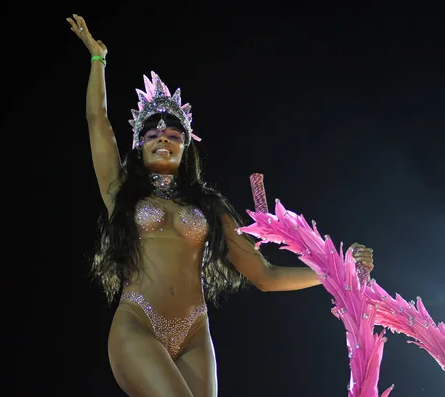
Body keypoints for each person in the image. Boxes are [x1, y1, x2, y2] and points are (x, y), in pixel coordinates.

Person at [67, 14, 375, 397]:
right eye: (152, 134)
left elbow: (265, 276)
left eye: (174, 135)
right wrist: (98, 60)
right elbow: (98, 122)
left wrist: (337, 268)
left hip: (195, 332)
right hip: (138, 324)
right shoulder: (121, 194)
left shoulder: (210, 206)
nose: (163, 139)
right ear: (139, 147)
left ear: (186, 148)